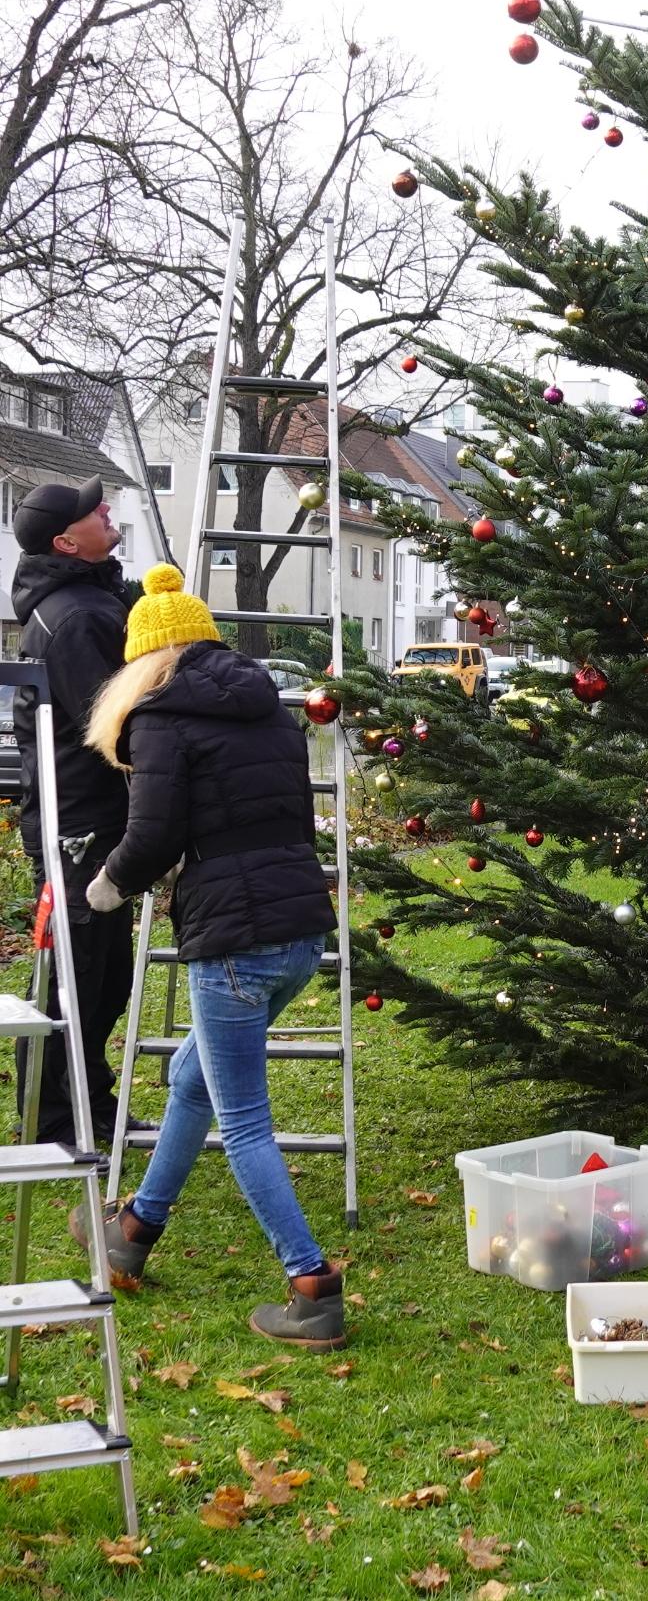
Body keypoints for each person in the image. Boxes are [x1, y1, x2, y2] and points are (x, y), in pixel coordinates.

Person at [74, 564, 342, 1349]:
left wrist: (106, 888)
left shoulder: (160, 719)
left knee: (244, 1120)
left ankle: (312, 1283)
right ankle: (135, 1230)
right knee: (193, 1076)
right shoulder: (267, 708)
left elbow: (154, 834)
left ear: (146, 661)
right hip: (297, 929)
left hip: (233, 942)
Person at [10, 476, 142, 1148]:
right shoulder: (76, 618)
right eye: (92, 511)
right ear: (66, 541)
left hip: (83, 813)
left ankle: (83, 1103)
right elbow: (112, 717)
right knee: (82, 971)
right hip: (78, 821)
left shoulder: (87, 599)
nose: (105, 510)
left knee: (99, 971)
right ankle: (55, 1120)